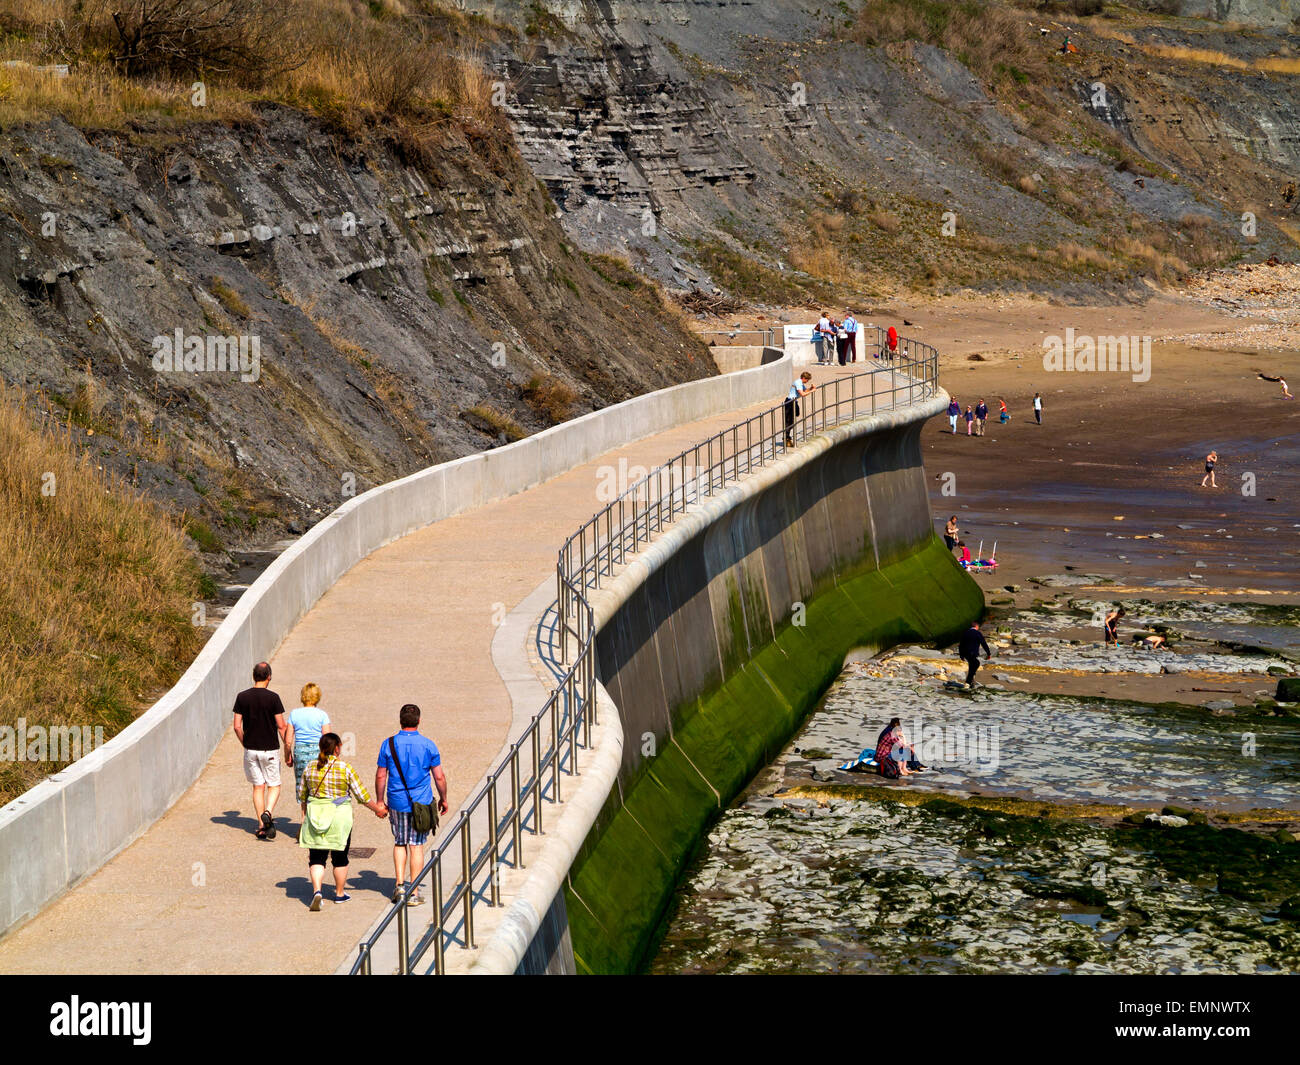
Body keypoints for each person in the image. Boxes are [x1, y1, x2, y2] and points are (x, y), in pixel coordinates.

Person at [298, 733, 386, 910]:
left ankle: (317, 891)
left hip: (316, 815)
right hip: (339, 816)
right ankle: (339, 893)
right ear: (337, 747)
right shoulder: (344, 768)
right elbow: (361, 795)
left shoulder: (310, 767)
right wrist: (378, 809)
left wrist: (305, 815)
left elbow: (302, 794)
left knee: (316, 857)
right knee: (340, 857)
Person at [376, 704, 448, 906]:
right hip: (421, 803)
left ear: (400, 720)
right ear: (419, 720)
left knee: (400, 841)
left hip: (397, 800)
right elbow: (439, 776)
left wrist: (380, 801)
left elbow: (381, 774)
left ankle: (399, 884)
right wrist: (444, 798)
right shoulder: (428, 745)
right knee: (416, 845)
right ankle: (414, 892)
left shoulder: (388, 744)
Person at [232, 661, 288, 840]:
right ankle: (269, 813)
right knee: (274, 785)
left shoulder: (242, 697)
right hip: (270, 749)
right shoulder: (273, 698)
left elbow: (236, 726)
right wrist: (288, 748)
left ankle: (262, 826)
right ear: (269, 676)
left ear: (253, 676)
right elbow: (281, 726)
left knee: (258, 786)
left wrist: (245, 742)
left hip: (251, 749)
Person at [285, 683, 331, 799]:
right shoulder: (322, 715)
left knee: (302, 785)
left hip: (300, 752)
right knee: (318, 785)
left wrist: (287, 756)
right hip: (318, 752)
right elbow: (327, 739)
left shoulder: (294, 714)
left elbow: (288, 741)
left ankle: (304, 815)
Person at [784, 371, 815, 447]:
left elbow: (805, 391)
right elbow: (802, 394)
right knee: (789, 421)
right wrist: (812, 391)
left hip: (794, 402)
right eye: (807, 380)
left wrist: (811, 388)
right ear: (804, 378)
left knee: (795, 415)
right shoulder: (798, 383)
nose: (807, 381)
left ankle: (787, 436)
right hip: (790, 402)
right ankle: (786, 437)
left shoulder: (800, 383)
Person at [958, 620, 991, 688]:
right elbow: (983, 643)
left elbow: (960, 644)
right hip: (972, 653)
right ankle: (968, 682)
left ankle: (971, 682)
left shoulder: (965, 633)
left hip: (965, 653)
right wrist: (988, 653)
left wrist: (961, 655)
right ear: (977, 626)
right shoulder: (977, 633)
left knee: (972, 665)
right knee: (976, 663)